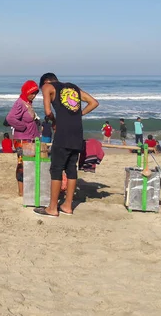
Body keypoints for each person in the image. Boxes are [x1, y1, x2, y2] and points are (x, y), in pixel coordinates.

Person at [35, 73, 99, 217]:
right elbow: (94, 102)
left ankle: (52, 207)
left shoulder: (47, 86)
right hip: (77, 132)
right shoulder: (73, 88)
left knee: (56, 169)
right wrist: (78, 115)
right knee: (71, 169)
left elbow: (47, 111)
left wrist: (54, 121)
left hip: (63, 133)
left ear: (45, 82)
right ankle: (68, 206)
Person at [5, 80, 41, 197]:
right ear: (26, 92)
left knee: (30, 164)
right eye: (32, 93)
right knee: (23, 165)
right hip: (22, 140)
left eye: (36, 93)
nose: (34, 95)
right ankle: (21, 191)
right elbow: (10, 118)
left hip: (30, 139)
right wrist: (23, 127)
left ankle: (27, 189)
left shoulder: (27, 102)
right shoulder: (20, 103)